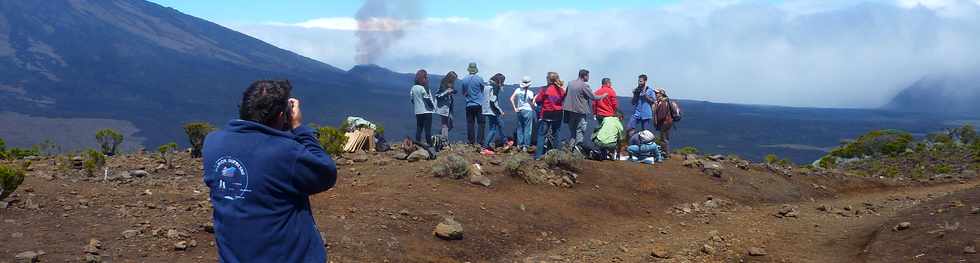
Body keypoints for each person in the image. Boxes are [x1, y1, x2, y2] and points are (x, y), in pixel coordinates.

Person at [202, 80, 338, 262]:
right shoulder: (286, 152)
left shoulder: (212, 143)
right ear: (283, 115)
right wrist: (298, 128)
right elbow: (326, 173)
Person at [563, 69, 607, 146]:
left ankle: (571, 148)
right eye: (588, 76)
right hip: (580, 111)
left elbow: (566, 95)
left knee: (573, 131)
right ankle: (578, 150)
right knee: (580, 130)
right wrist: (603, 96)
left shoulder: (570, 83)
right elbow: (593, 97)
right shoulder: (584, 85)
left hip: (569, 111)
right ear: (584, 76)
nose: (589, 78)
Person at [534, 72, 567, 159]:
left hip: (546, 114)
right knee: (557, 134)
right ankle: (557, 157)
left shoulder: (545, 89)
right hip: (558, 114)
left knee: (541, 135)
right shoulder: (561, 90)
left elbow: (538, 100)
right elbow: (563, 99)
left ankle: (538, 156)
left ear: (548, 79)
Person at [461, 63, 486, 146]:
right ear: (475, 70)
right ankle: (480, 142)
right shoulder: (479, 79)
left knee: (470, 123)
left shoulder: (464, 79)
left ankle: (471, 141)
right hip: (479, 104)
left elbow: (463, 92)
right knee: (481, 123)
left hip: (469, 104)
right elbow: (483, 90)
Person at [510, 76, 536, 151]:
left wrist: (515, 108)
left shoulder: (517, 90)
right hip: (528, 111)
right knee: (527, 128)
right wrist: (535, 99)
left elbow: (511, 98)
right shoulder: (530, 93)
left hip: (519, 110)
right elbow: (532, 103)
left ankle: (519, 145)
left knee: (520, 128)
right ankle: (526, 146)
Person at [482, 73, 506, 155]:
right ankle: (485, 147)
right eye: (503, 81)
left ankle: (504, 141)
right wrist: (499, 111)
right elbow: (493, 101)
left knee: (498, 125)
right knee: (493, 129)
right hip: (492, 110)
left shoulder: (487, 86)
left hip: (486, 109)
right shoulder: (495, 87)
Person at [410, 69, 434, 145]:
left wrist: (417, 105)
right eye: (425, 77)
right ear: (422, 78)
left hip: (418, 111)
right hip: (427, 111)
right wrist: (432, 106)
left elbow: (412, 100)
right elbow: (427, 99)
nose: (426, 79)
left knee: (419, 128)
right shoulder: (424, 88)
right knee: (427, 130)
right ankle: (429, 145)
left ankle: (417, 144)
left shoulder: (413, 88)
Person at [435, 71, 458, 140]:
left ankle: (439, 136)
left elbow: (451, 92)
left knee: (450, 125)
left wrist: (453, 91)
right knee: (445, 125)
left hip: (450, 107)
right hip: (443, 107)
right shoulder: (442, 84)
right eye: (454, 79)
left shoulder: (451, 84)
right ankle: (444, 140)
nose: (454, 81)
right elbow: (438, 95)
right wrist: (446, 92)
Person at [654, 88, 675, 157]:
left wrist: (657, 121)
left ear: (661, 94)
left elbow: (661, 115)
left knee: (663, 138)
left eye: (657, 93)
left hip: (664, 122)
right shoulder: (666, 101)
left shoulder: (662, 102)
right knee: (666, 137)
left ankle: (666, 154)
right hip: (669, 122)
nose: (655, 94)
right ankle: (666, 152)